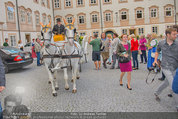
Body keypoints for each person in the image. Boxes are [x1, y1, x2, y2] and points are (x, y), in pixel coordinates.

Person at [153, 28, 178, 111]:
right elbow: (157, 51)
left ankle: (156, 92)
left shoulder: (177, 43)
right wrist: (155, 60)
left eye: (176, 34)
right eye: (174, 34)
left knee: (167, 82)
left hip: (175, 67)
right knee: (172, 86)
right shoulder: (161, 43)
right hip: (165, 66)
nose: (176, 35)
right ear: (168, 35)